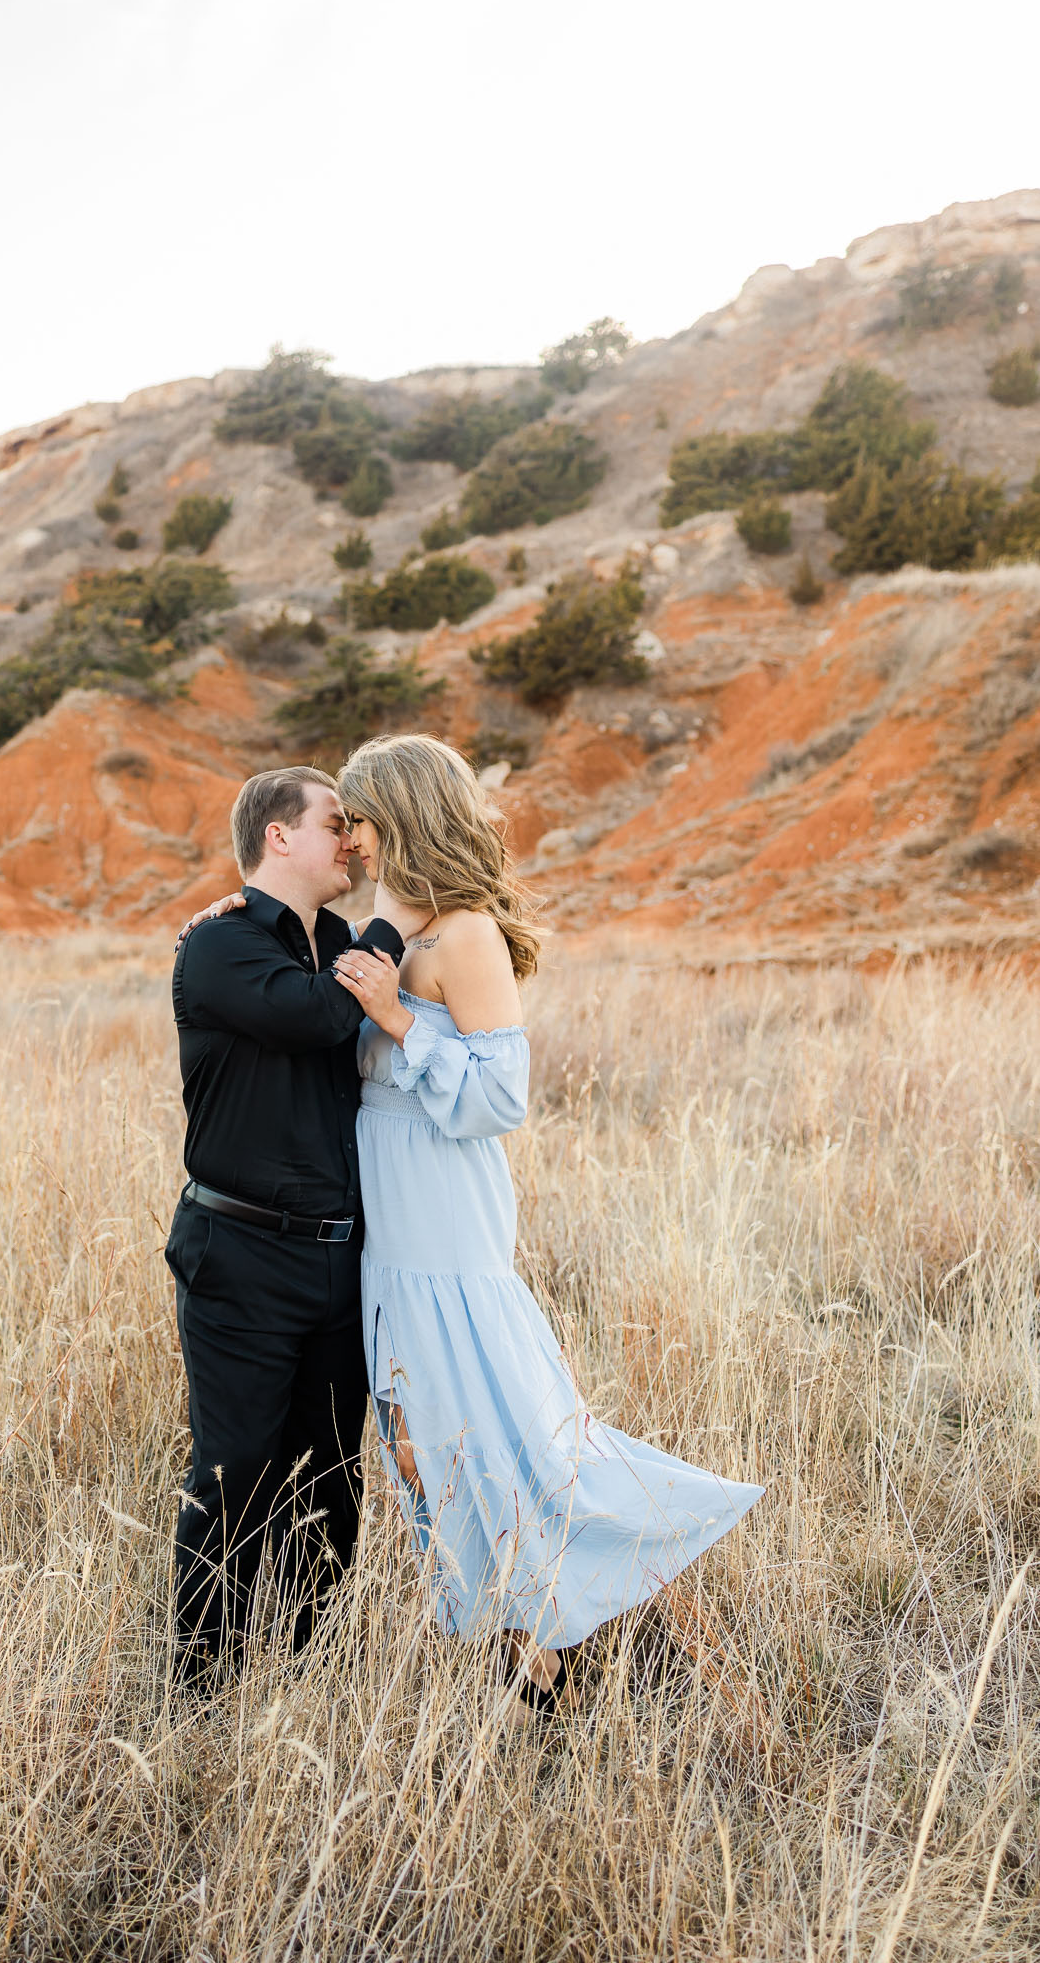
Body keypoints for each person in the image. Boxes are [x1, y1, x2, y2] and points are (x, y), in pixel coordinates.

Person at [183, 734, 763, 1717]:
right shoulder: (372, 933)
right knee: (427, 1450)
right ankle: (525, 1654)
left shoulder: (464, 934)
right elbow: (295, 991)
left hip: (445, 1221)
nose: (351, 841)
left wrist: (400, 1022)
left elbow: (502, 1099)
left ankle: (632, 1623)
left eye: (360, 820)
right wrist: (232, 913)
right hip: (381, 1236)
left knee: (503, 1434)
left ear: (400, 816)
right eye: (340, 825)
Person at [166, 764, 424, 1683]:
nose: (350, 839)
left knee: (329, 1477)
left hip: (339, 1258)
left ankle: (309, 1670)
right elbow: (316, 1017)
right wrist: (396, 913)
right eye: (334, 822)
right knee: (234, 1472)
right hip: (239, 1251)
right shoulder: (220, 946)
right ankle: (203, 1689)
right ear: (279, 836)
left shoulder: (340, 941)